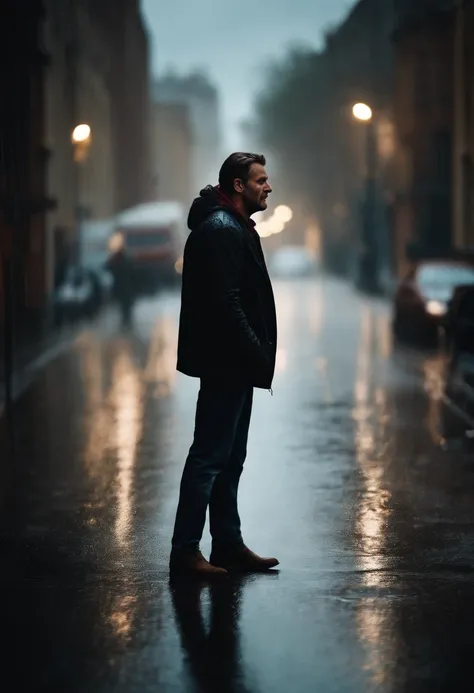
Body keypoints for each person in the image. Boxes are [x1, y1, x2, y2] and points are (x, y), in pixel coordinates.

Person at [170, 152, 279, 578]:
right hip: (227, 363)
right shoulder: (220, 230)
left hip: (236, 363)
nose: (268, 187)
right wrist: (255, 349)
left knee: (229, 458)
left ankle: (228, 545)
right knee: (209, 458)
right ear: (238, 185)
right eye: (261, 180)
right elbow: (226, 303)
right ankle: (185, 552)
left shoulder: (231, 226)